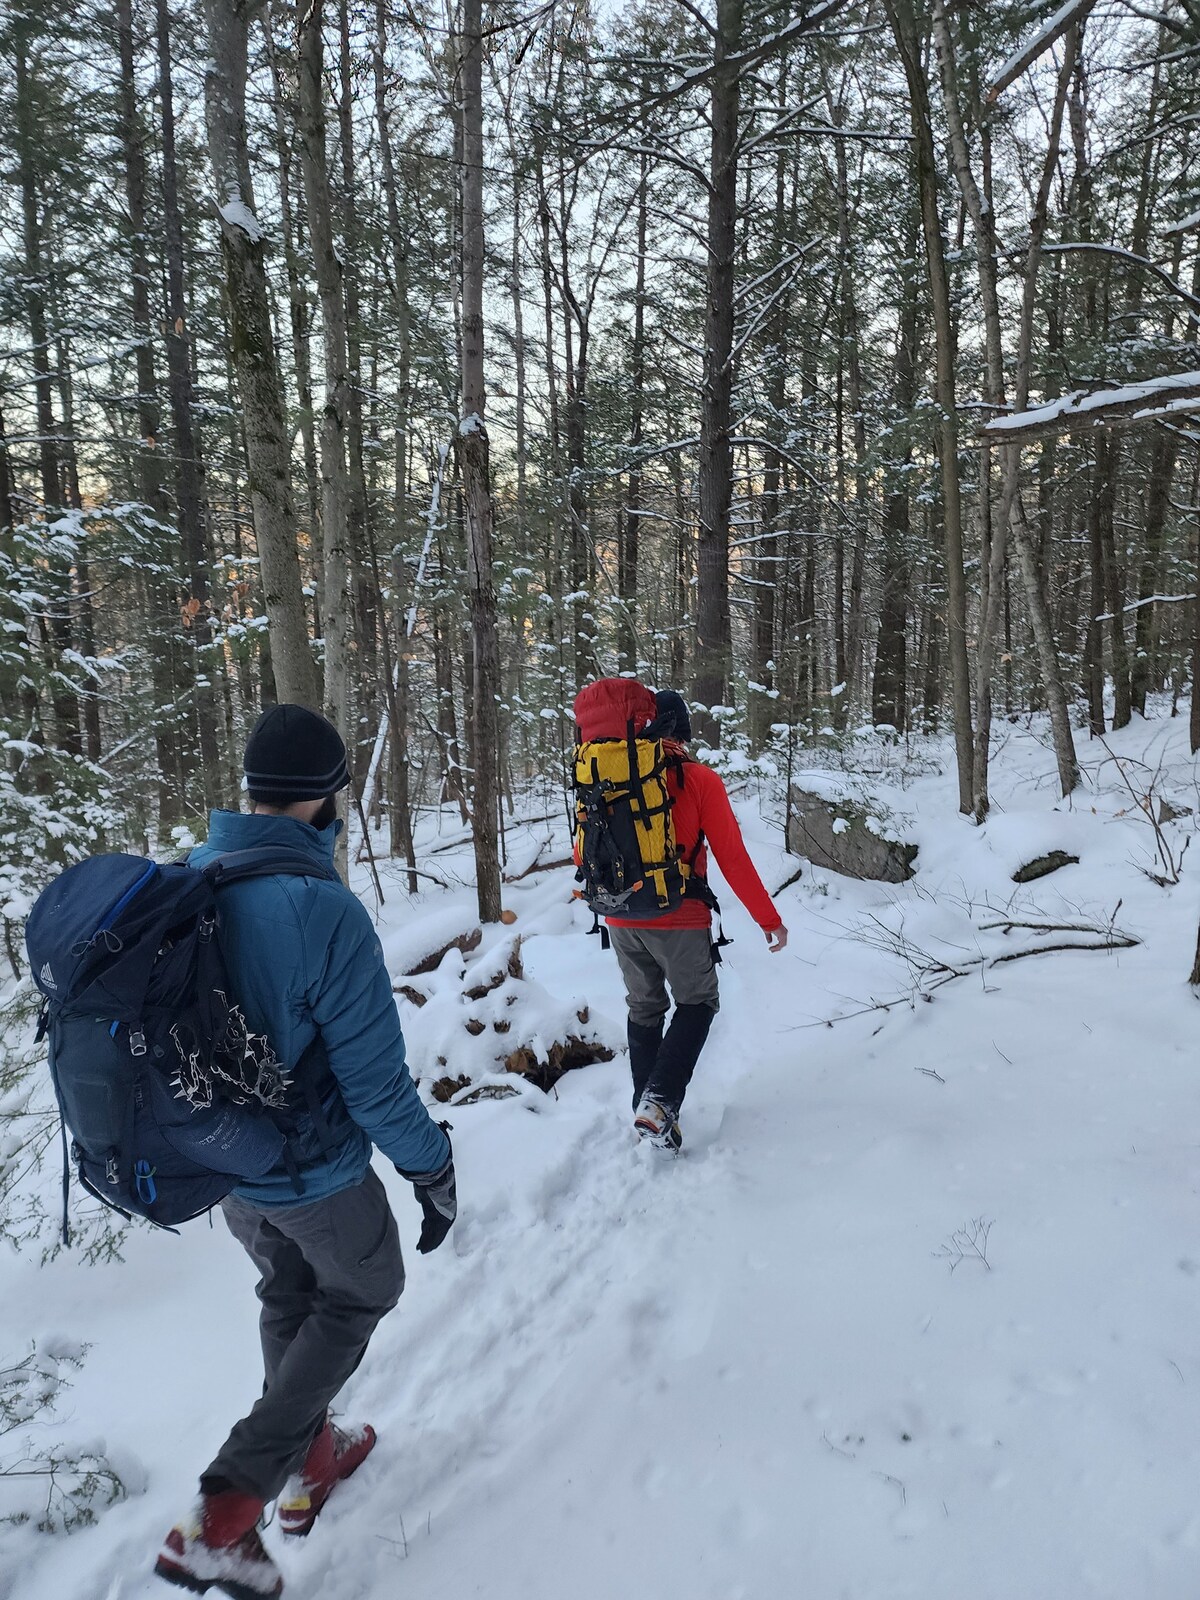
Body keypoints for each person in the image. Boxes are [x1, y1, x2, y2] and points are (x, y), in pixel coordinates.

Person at [155, 704, 457, 1600]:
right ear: (328, 799)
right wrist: (432, 1166)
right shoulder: (322, 911)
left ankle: (310, 1463)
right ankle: (226, 1510)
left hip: (227, 1168)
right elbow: (374, 1084)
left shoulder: (192, 877)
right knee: (367, 1285)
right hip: (314, 1171)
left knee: (287, 1291)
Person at [573, 679, 787, 1152]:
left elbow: (582, 852)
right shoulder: (699, 780)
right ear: (683, 734)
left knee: (644, 1008)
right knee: (698, 1003)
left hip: (621, 916)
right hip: (679, 916)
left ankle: (648, 1109)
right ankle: (659, 1102)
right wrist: (768, 919)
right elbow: (733, 858)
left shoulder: (606, 778)